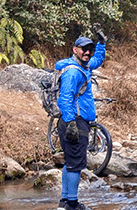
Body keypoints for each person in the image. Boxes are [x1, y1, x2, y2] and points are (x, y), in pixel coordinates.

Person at [56, 24, 107, 210]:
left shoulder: (83, 65)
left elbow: (98, 60)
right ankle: (72, 203)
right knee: (75, 165)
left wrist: (101, 44)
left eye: (90, 49)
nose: (87, 52)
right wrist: (71, 123)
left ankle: (64, 202)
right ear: (74, 50)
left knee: (70, 162)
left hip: (75, 121)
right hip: (74, 122)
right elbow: (65, 99)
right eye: (83, 49)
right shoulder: (72, 72)